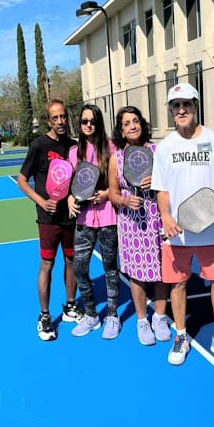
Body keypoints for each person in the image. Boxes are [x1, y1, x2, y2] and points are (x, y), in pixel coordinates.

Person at [151, 83, 214, 367]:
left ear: (195, 106)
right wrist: (166, 217)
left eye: (187, 104)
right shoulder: (165, 147)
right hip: (177, 233)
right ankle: (181, 335)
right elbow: (162, 189)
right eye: (176, 106)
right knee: (178, 284)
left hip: (211, 228)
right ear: (170, 111)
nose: (181, 110)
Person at [17, 99, 83, 341]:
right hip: (47, 219)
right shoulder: (38, 145)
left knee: (72, 261)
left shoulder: (75, 147)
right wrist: (41, 201)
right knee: (47, 265)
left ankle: (70, 306)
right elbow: (22, 180)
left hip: (71, 217)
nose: (60, 121)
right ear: (48, 121)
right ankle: (45, 316)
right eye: (55, 118)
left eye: (63, 116)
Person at [108, 106, 171, 346]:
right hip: (131, 221)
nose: (132, 126)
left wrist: (156, 182)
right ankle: (142, 321)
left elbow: (170, 184)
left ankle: (160, 316)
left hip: (156, 216)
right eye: (126, 123)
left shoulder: (157, 151)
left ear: (142, 124)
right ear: (121, 130)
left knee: (161, 270)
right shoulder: (117, 158)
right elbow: (112, 194)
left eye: (135, 121)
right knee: (137, 273)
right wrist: (125, 200)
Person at [68, 104, 121, 340]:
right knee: (79, 268)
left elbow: (118, 184)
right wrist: (70, 198)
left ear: (98, 123)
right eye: (84, 121)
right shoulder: (73, 153)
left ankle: (112, 315)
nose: (88, 125)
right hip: (84, 220)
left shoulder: (111, 149)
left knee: (110, 268)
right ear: (79, 125)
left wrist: (107, 193)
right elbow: (69, 185)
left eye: (92, 121)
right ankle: (91, 315)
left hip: (108, 218)